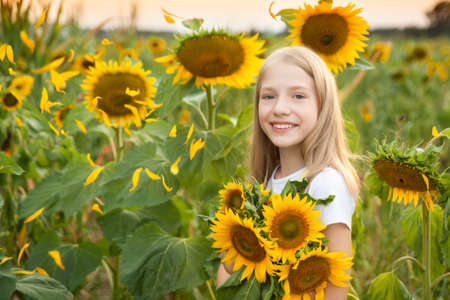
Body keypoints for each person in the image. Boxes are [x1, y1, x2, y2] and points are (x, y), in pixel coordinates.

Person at [216, 46, 360, 299]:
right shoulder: (266, 181)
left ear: (322, 106)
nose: (280, 108)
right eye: (268, 96)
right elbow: (228, 268)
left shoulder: (325, 184)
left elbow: (336, 287)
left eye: (298, 96)